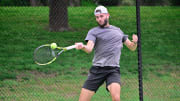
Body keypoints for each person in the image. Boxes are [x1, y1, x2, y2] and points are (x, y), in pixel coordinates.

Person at [75, 5, 138, 101]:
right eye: (97, 17)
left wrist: (135, 42)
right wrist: (83, 46)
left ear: (107, 15)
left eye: (101, 16)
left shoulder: (118, 31)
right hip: (97, 70)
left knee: (116, 98)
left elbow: (131, 47)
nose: (99, 19)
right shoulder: (93, 32)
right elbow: (89, 48)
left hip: (113, 70)